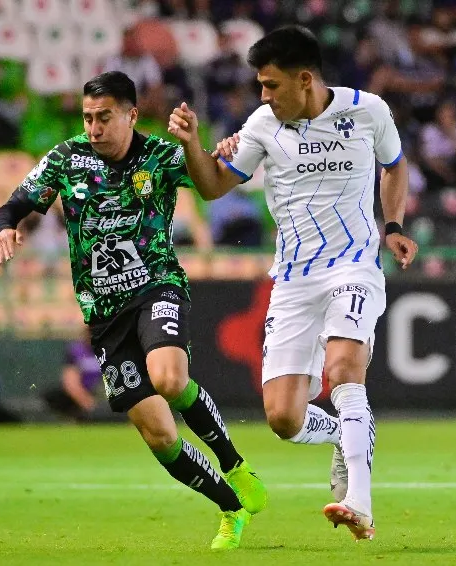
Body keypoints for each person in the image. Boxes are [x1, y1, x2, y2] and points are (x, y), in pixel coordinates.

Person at [0, 71, 267, 550]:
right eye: (87, 118)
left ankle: (235, 464)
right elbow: (13, 204)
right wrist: (5, 226)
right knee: (158, 434)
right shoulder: (67, 158)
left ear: (131, 114)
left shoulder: (160, 156)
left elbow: (213, 180)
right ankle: (231, 508)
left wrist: (211, 146)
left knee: (169, 379)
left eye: (104, 118)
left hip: (157, 286)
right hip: (104, 316)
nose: (94, 128)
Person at [167, 26, 418, 540]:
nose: (264, 96)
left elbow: (394, 167)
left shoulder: (368, 111)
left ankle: (359, 504)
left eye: (271, 85)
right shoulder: (262, 125)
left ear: (305, 80)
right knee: (283, 418)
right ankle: (350, 433)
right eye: (261, 85)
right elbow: (212, 187)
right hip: (293, 280)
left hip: (353, 265)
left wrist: (392, 226)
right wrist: (195, 145)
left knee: (344, 368)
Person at [42, 327, 105, 421]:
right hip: (81, 396)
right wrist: (88, 403)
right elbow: (71, 383)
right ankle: (71, 418)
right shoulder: (76, 351)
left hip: (102, 395)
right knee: (52, 396)